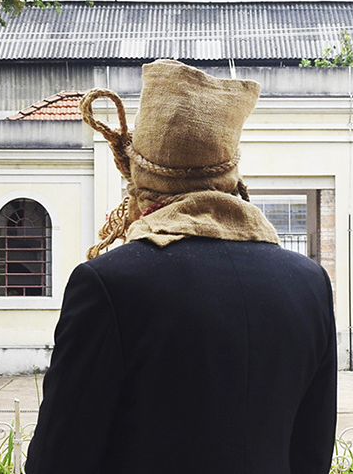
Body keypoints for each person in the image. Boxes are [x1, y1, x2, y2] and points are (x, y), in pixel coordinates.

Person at [25, 60, 337, 474]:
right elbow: (312, 452)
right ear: (230, 173)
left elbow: (59, 458)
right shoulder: (309, 282)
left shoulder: (108, 284)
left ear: (138, 174)